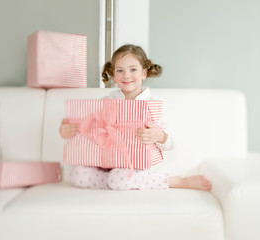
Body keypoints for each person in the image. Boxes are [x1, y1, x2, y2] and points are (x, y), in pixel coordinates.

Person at [60, 44, 212, 191]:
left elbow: (171, 142)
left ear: (144, 73)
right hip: (106, 161)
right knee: (78, 174)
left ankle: (174, 181)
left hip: (134, 165)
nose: (126, 75)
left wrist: (158, 135)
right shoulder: (106, 102)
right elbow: (90, 127)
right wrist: (70, 129)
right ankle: (117, 182)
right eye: (120, 70)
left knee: (118, 178)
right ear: (113, 73)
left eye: (133, 69)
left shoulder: (151, 106)